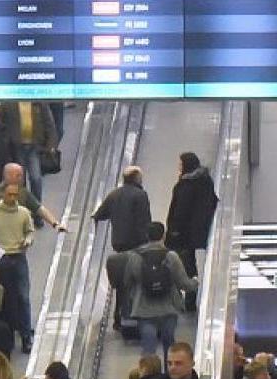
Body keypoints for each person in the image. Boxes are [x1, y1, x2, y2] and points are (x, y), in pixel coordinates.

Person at [0, 181, 38, 355]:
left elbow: (30, 231)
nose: (13, 198)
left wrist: (28, 240)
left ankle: (26, 336)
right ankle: (4, 338)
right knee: (2, 300)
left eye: (15, 195)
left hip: (18, 256)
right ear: (3, 194)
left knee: (23, 297)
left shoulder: (24, 212)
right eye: (10, 194)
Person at [124, 221, 197, 357]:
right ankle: (170, 369)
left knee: (148, 348)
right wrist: (195, 282)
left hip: (144, 309)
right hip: (168, 308)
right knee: (169, 346)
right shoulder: (171, 256)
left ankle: (149, 369)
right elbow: (183, 284)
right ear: (163, 236)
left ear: (146, 236)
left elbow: (127, 282)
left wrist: (132, 299)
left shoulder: (135, 257)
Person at [165, 151, 219, 289]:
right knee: (190, 262)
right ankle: (192, 291)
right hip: (198, 230)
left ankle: (187, 292)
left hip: (183, 232)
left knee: (182, 263)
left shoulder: (186, 184)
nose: (179, 167)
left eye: (181, 164)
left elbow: (180, 209)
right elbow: (213, 201)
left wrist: (174, 230)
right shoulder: (206, 181)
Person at [0, 162, 65, 233]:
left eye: (21, 175)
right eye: (18, 175)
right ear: (8, 176)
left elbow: (39, 208)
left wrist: (55, 224)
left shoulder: (23, 192)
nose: (21, 178)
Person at [0, 100, 58, 202]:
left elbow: (49, 123)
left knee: (36, 178)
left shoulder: (39, 103)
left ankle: (36, 205)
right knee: (19, 179)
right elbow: (0, 124)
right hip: (16, 147)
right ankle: (22, 204)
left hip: (34, 147)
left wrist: (51, 145)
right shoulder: (8, 103)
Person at [93, 165, 153, 253]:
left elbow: (100, 214)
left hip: (117, 241)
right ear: (137, 178)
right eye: (141, 177)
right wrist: (147, 239)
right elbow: (144, 218)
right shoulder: (140, 195)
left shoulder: (114, 194)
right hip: (135, 241)